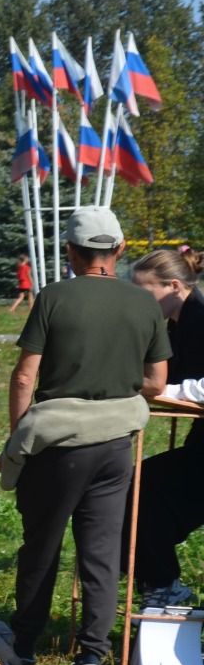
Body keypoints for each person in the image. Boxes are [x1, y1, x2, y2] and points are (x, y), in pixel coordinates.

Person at [0, 206, 169, 665]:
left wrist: (14, 440)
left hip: (58, 443)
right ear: (120, 250)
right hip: (116, 444)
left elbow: (26, 374)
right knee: (101, 553)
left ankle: (23, 648)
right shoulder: (144, 304)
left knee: (43, 545)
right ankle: (91, 661)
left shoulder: (54, 297)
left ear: (70, 252)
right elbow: (156, 381)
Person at [126, 250, 204, 615]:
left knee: (140, 494)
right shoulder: (175, 322)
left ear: (174, 286)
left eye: (144, 292)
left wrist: (164, 391)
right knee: (136, 491)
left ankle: (162, 585)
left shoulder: (201, 318)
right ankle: (159, 583)